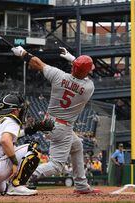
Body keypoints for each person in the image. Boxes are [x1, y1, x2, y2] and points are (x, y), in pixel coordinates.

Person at [11, 46, 100, 194]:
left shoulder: (59, 76)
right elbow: (88, 72)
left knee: (77, 145)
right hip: (62, 128)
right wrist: (73, 58)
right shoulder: (88, 88)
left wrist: (22, 53)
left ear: (73, 68)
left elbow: (36, 63)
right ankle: (22, 177)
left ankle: (81, 185)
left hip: (48, 123)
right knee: (57, 165)